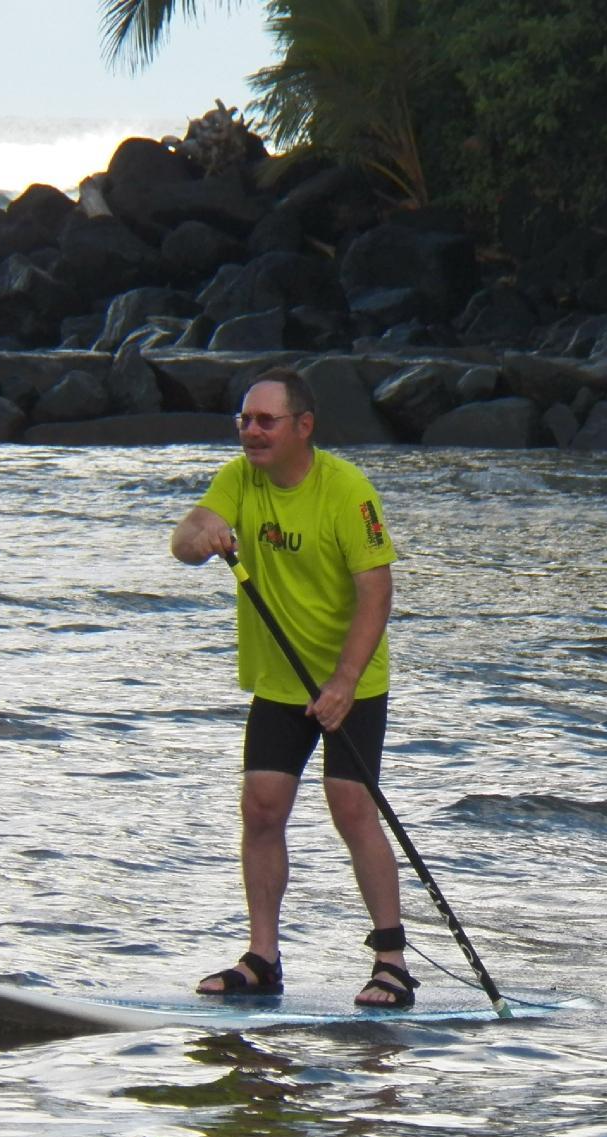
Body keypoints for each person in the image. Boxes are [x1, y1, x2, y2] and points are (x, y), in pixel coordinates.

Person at [169, 366, 418, 1008]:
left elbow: (377, 592)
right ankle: (263, 959)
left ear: (303, 427)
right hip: (280, 680)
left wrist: (343, 682)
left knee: (352, 807)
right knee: (262, 805)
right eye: (244, 421)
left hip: (350, 677)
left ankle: (391, 962)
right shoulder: (240, 478)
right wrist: (205, 538)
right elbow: (184, 539)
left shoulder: (346, 491)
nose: (251, 432)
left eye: (265, 421)